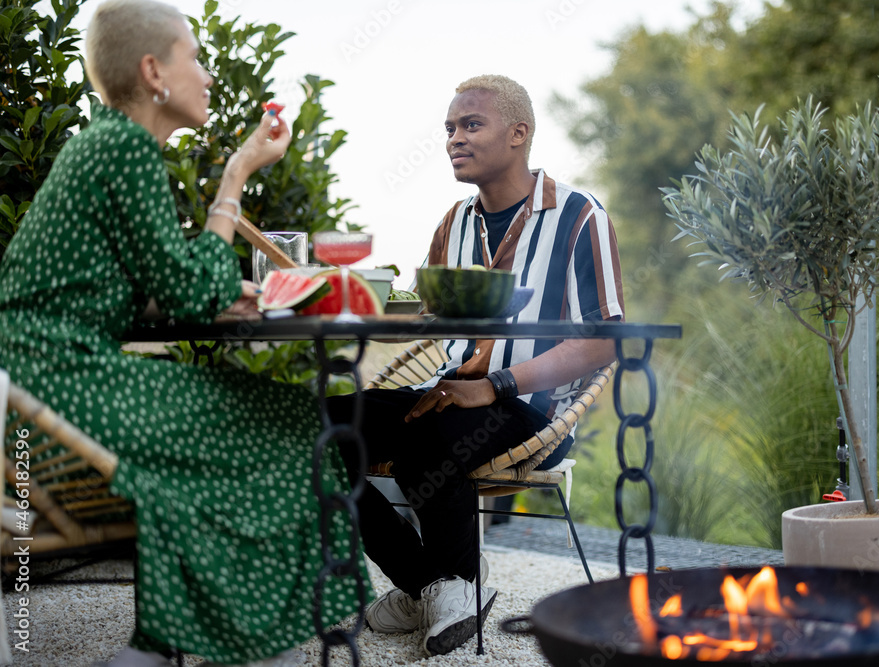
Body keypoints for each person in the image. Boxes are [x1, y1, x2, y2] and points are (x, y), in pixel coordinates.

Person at [0, 1, 369, 665]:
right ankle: (239, 638)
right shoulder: (124, 146)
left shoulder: (103, 146)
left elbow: (156, 283)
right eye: (193, 57)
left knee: (256, 409)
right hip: (54, 386)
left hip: (33, 380)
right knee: (286, 421)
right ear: (152, 71)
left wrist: (195, 290)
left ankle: (181, 638)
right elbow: (192, 288)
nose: (206, 74)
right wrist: (236, 174)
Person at [330, 74, 625, 656]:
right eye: (448, 128)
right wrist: (358, 297)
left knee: (432, 429)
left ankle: (436, 594)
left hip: (535, 408)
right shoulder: (454, 223)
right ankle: (433, 586)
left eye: (470, 125)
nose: (453, 140)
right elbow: (431, 314)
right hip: (449, 388)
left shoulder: (579, 218)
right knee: (314, 426)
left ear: (518, 134)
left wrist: (497, 384)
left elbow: (606, 340)